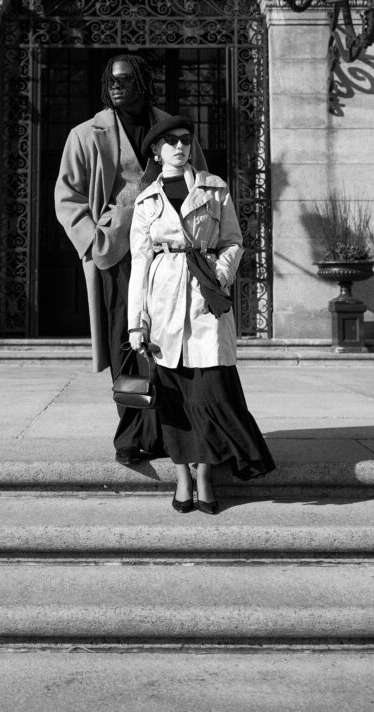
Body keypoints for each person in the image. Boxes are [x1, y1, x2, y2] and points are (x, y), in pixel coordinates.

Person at [54, 54, 207, 466]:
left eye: (124, 79)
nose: (116, 86)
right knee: (126, 338)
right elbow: (66, 197)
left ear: (143, 81)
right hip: (118, 255)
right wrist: (93, 240)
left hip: (170, 254)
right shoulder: (86, 134)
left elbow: (202, 185)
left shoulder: (175, 130)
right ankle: (132, 433)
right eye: (111, 81)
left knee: (169, 339)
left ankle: (166, 430)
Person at [127, 114, 275, 513]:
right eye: (170, 142)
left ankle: (206, 474)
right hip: (163, 299)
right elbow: (139, 264)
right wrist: (136, 322)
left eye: (185, 140)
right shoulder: (146, 200)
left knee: (210, 389)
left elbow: (233, 241)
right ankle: (182, 477)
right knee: (173, 394)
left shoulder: (214, 188)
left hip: (206, 293)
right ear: (156, 152)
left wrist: (220, 274)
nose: (180, 147)